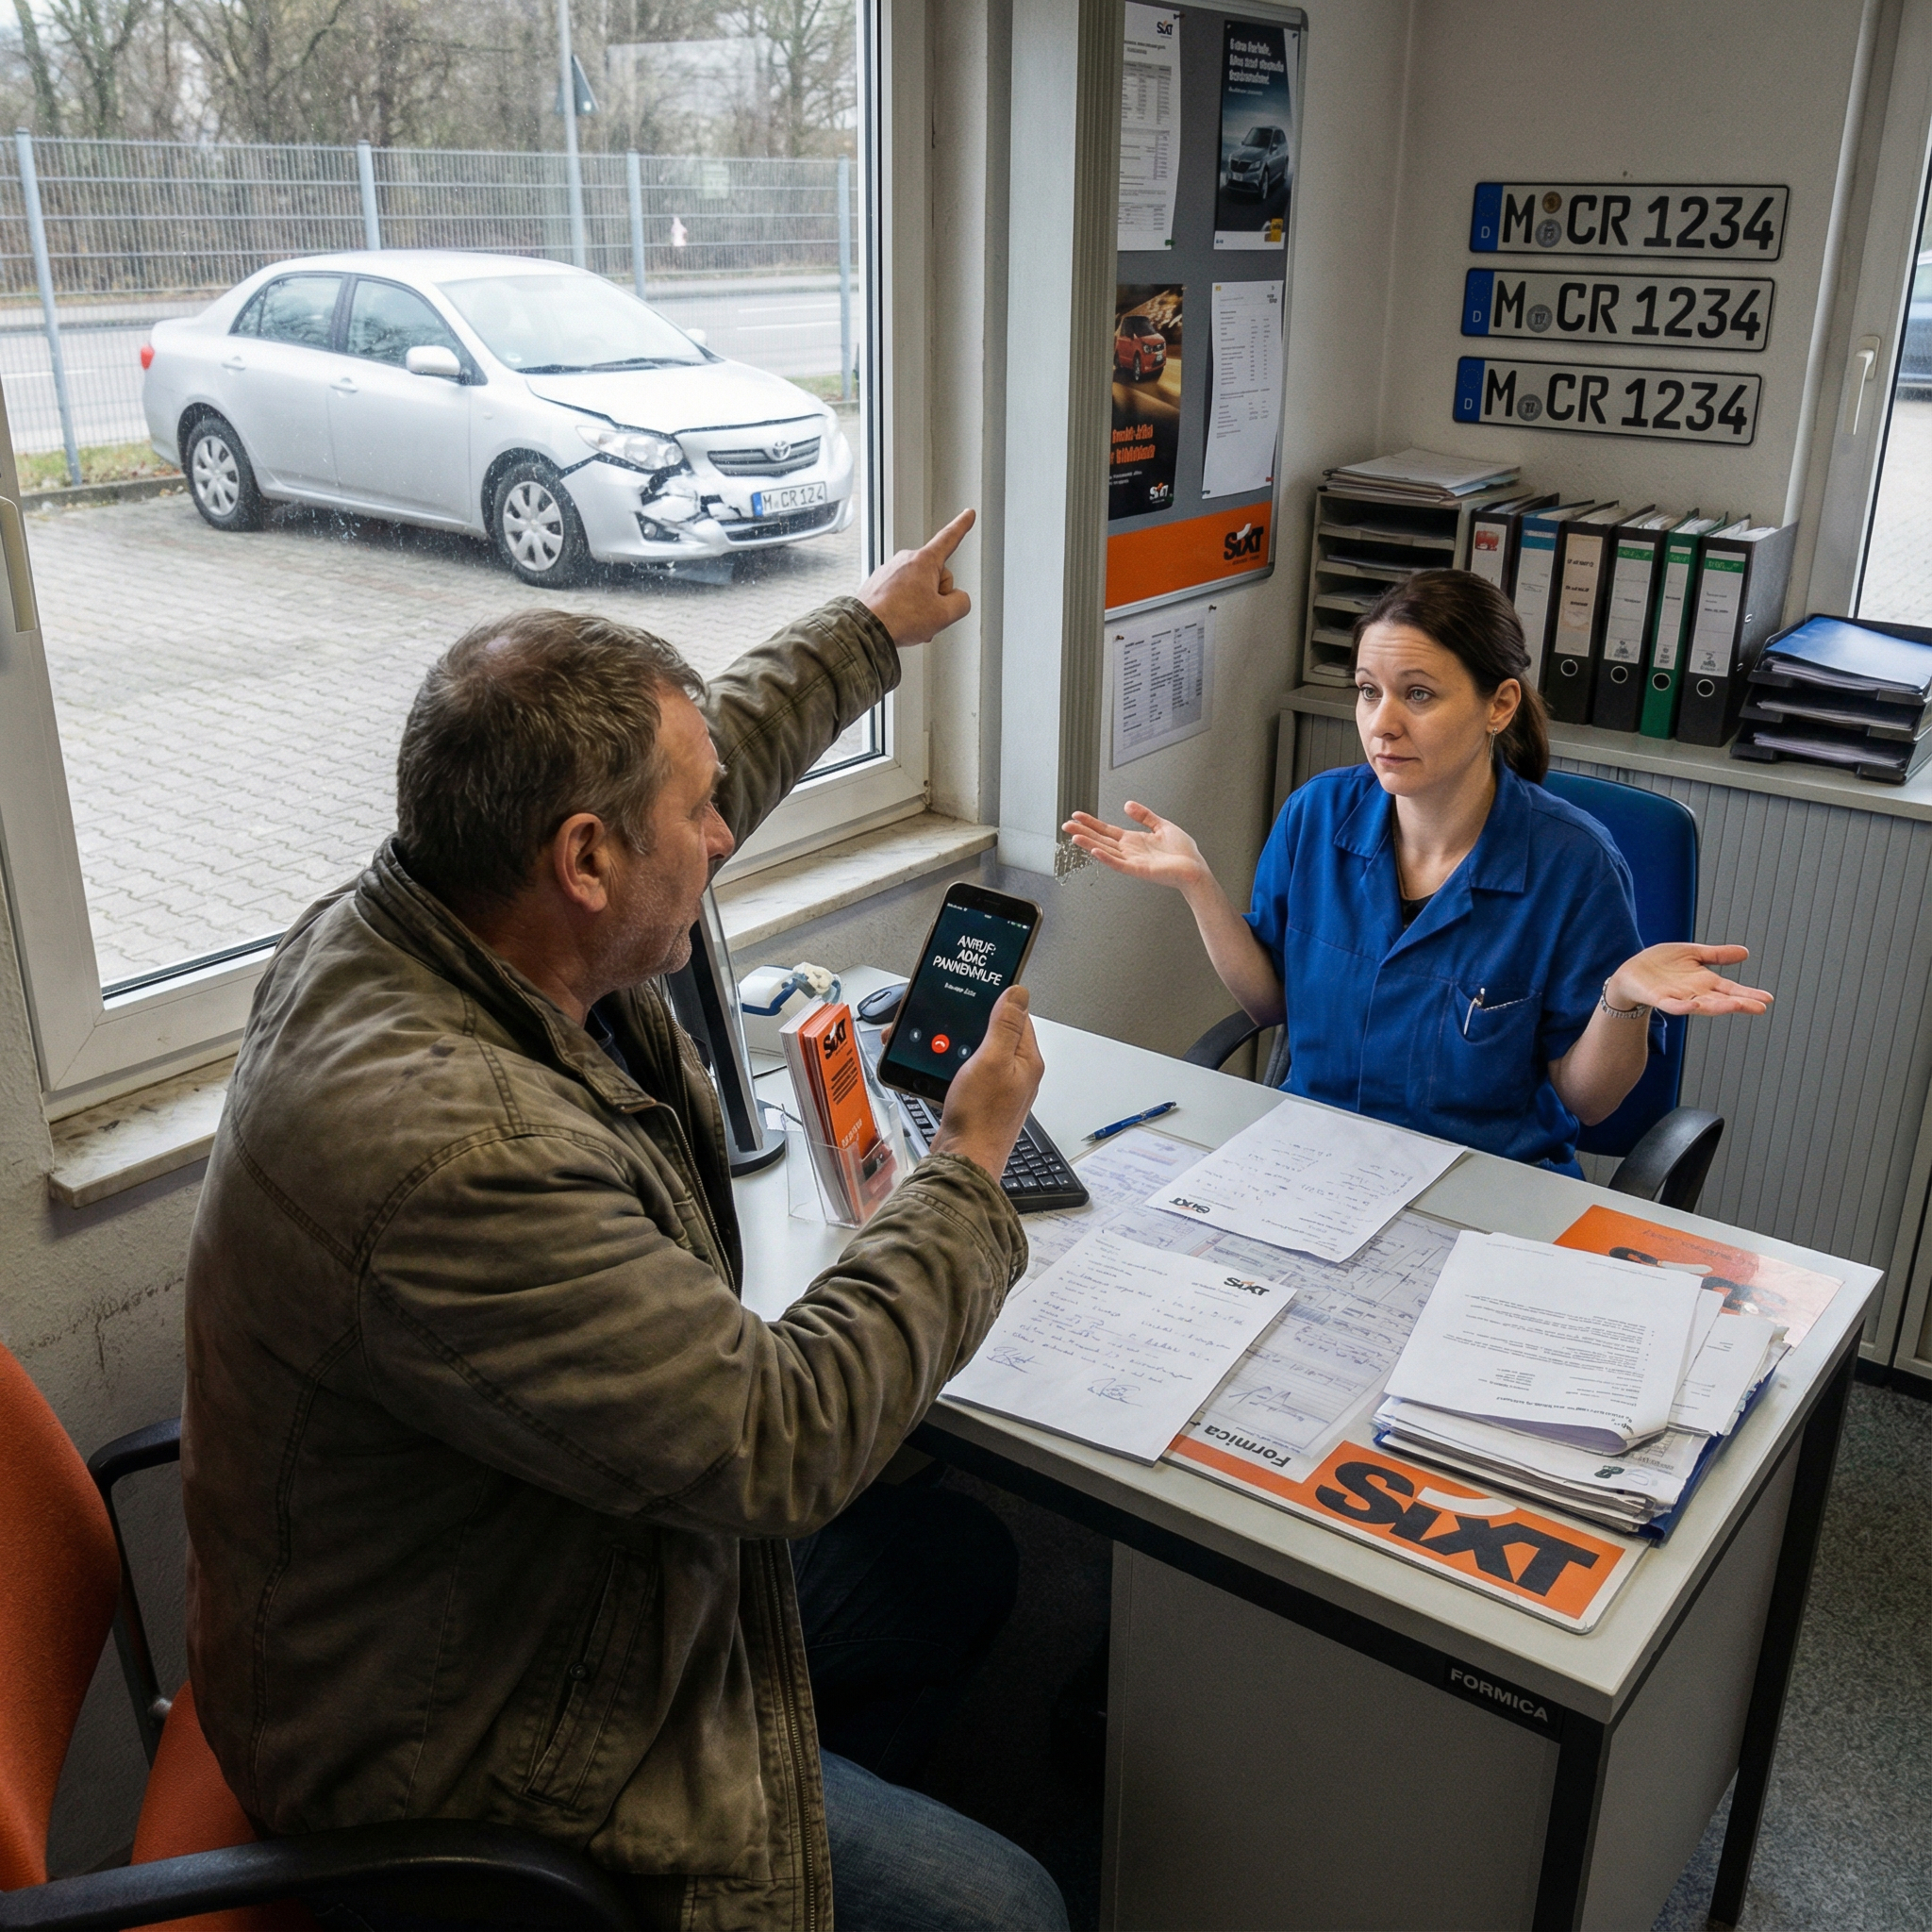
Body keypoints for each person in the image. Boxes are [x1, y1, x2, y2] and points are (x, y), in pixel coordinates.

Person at [182, 508, 1070, 1932]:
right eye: (697, 820)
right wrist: (967, 1168)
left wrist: (868, 628)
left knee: (951, 1563)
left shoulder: (427, 911)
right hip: (464, 1747)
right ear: (585, 860)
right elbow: (784, 1435)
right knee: (1006, 1908)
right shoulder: (460, 1158)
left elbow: (705, 769)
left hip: (529, 1568)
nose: (723, 837)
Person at [1065, 568, 1772, 1174]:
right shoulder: (1317, 815)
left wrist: (1622, 997)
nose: (1382, 723)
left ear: (1499, 706)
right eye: (1368, 691)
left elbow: (1590, 1101)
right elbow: (1272, 1004)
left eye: (1419, 694)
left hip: (1483, 1184)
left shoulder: (1574, 864)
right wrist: (1199, 886)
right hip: (1311, 1164)